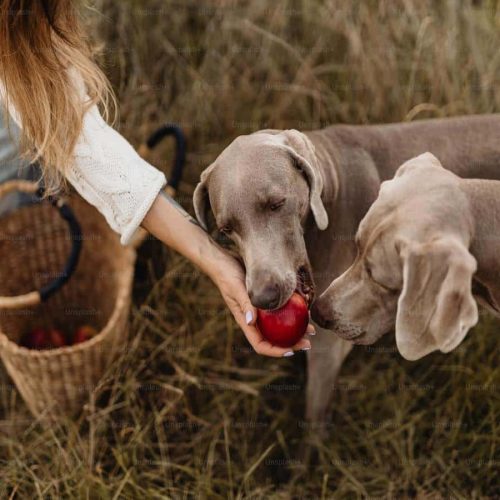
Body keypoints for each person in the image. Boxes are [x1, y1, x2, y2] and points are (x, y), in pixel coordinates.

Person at [0, 0, 312, 357]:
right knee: (12, 170)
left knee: (28, 153)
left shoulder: (23, 32)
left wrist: (216, 261)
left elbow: (84, 145)